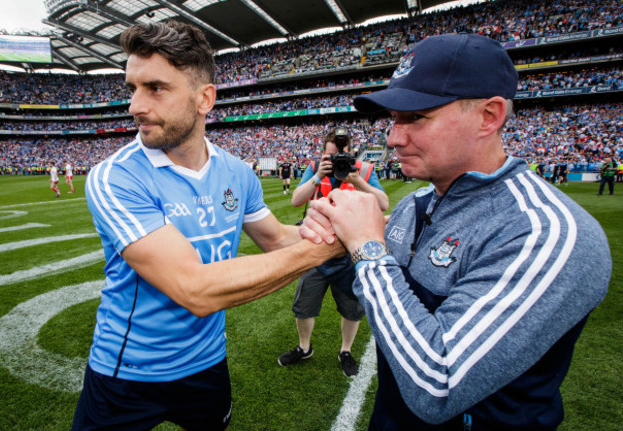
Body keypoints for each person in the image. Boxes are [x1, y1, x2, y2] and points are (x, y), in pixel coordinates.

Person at [301, 33, 610, 430]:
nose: (394, 137)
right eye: (393, 120)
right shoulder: (414, 207)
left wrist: (367, 249)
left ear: (489, 116)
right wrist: (336, 241)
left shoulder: (547, 232)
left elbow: (437, 385)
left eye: (415, 117)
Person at [73, 20, 342, 431]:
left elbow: (276, 238)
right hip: (126, 371)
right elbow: (193, 289)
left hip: (207, 363)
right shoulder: (116, 177)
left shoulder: (236, 172)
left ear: (205, 99)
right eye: (133, 88)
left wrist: (339, 226)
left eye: (156, 88)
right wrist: (327, 247)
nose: (135, 106)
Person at [277, 127, 388, 377]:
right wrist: (317, 176)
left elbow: (383, 204)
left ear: (351, 151)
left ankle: (345, 351)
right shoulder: (316, 166)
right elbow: (296, 200)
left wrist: (356, 179)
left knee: (352, 307)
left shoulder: (364, 169)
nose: (336, 160)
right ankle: (304, 347)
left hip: (349, 252)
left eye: (341, 155)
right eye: (331, 156)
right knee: (304, 304)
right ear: (323, 152)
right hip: (315, 247)